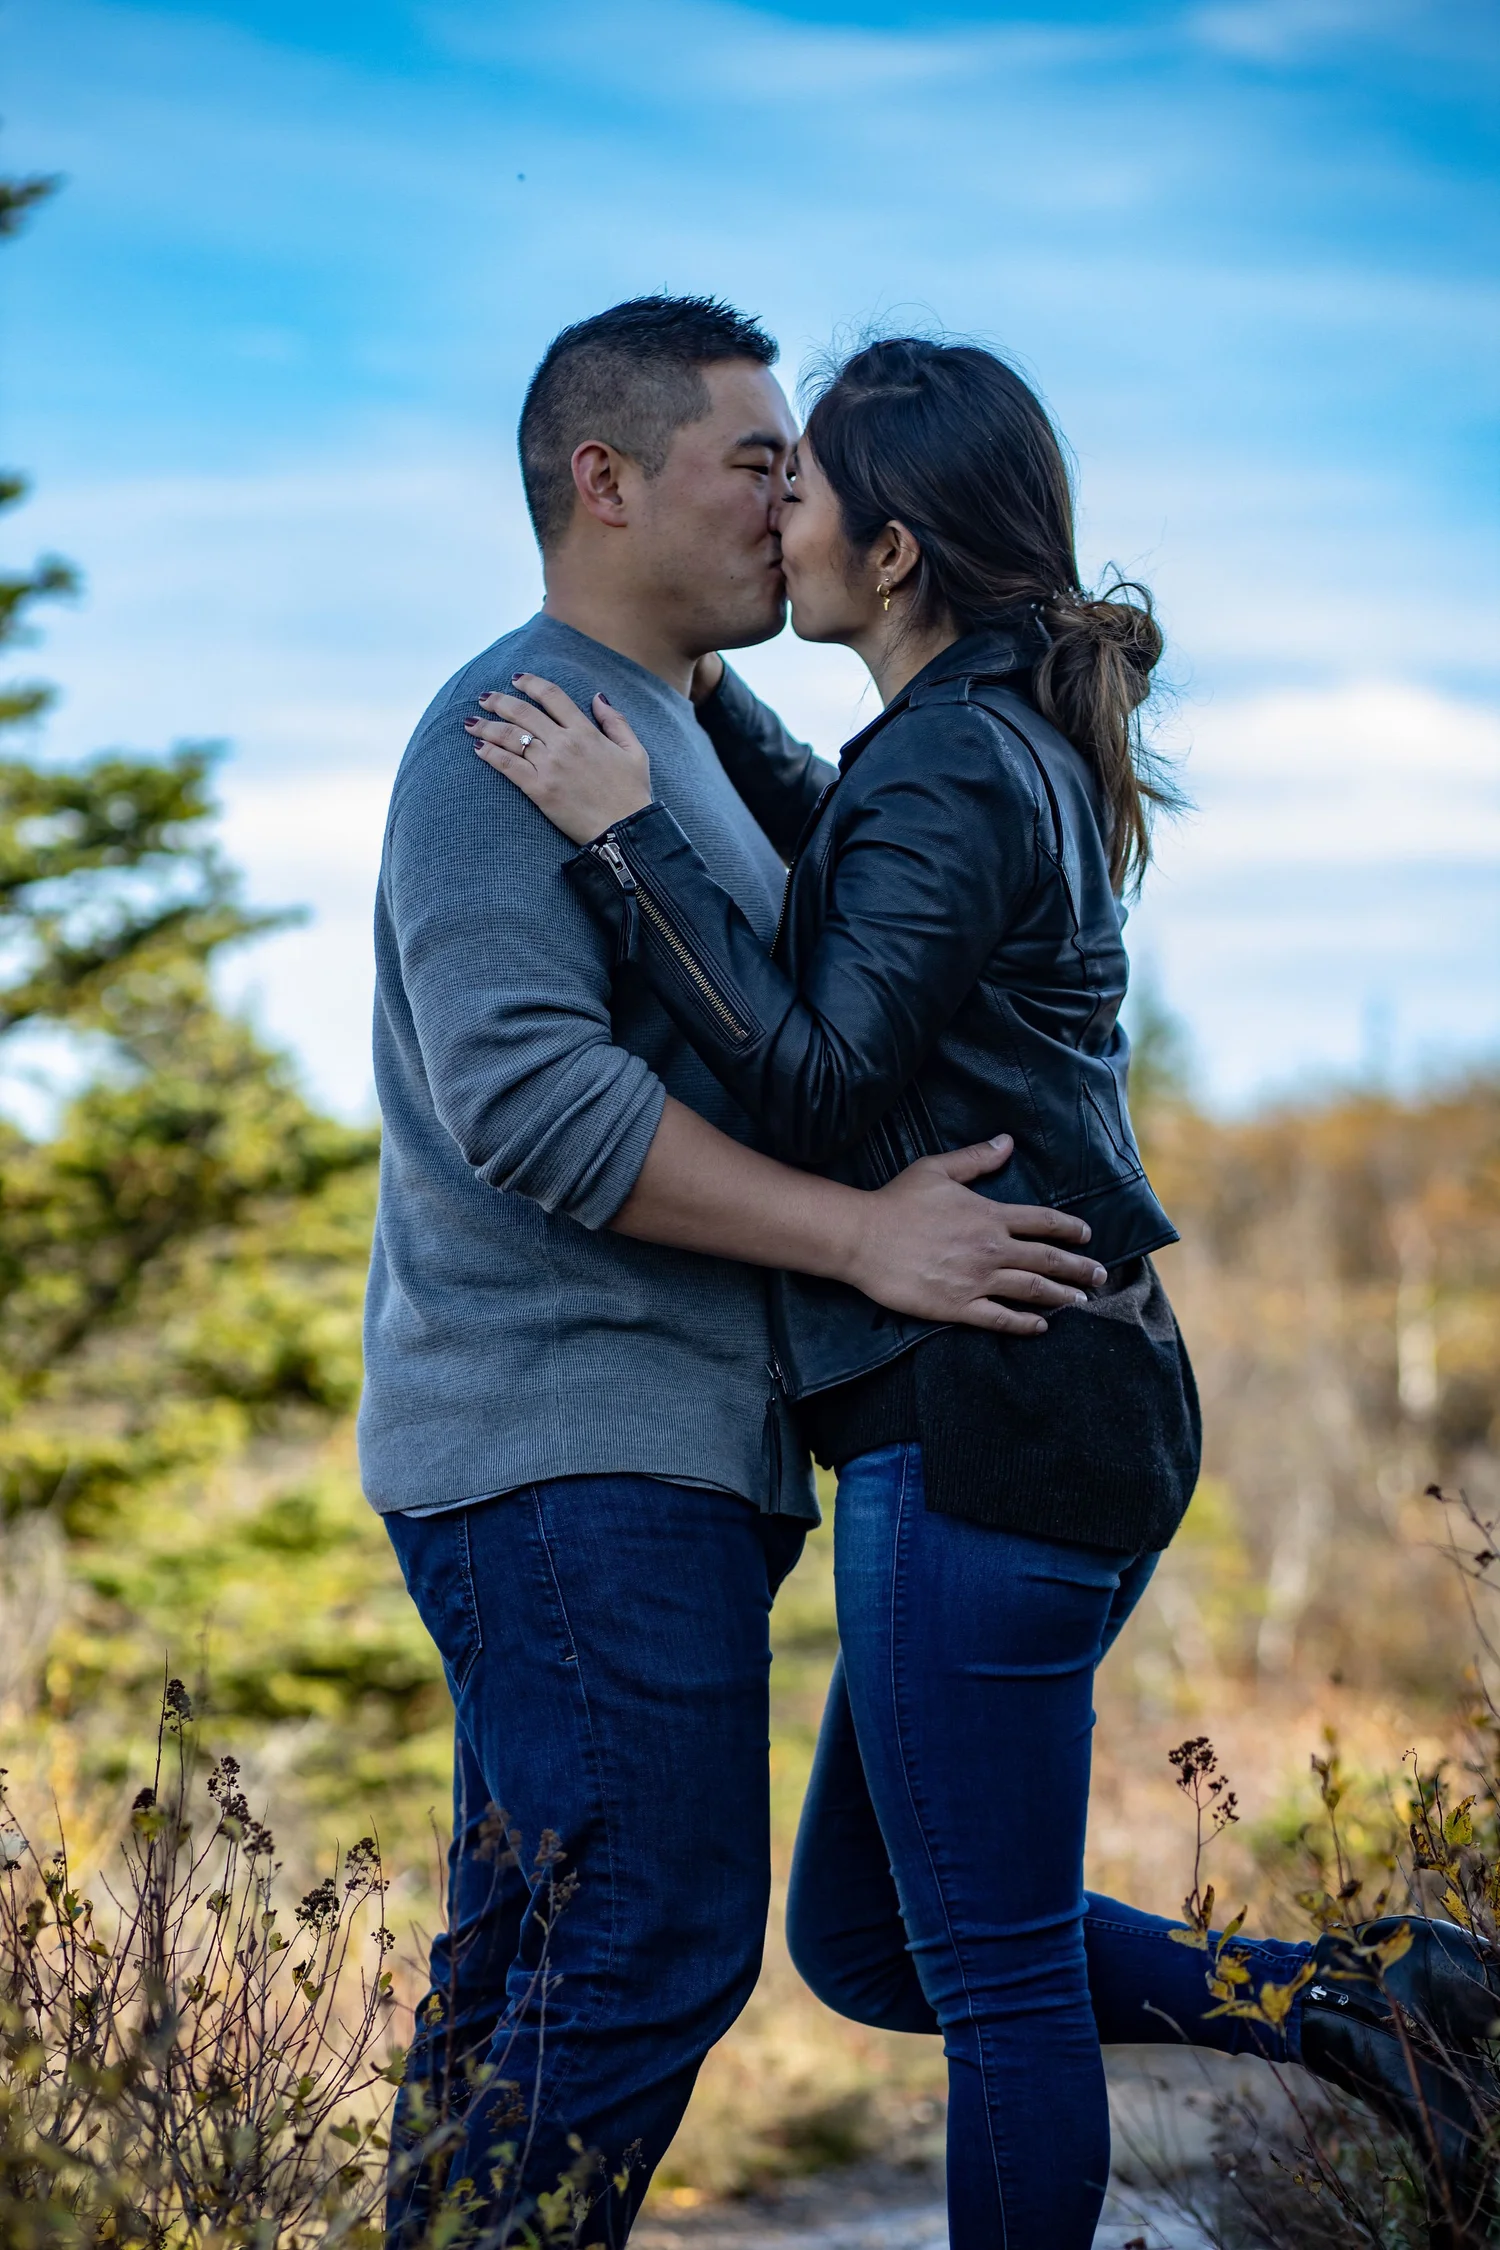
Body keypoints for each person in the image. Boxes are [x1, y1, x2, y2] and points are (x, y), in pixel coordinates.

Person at [470, 336, 1500, 2248]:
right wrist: (697, 709)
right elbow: (841, 844)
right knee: (872, 1935)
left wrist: (621, 835)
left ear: (900, 546)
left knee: (1001, 1989)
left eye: (804, 483)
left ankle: (1388, 2015)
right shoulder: (963, 732)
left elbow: (816, 1079)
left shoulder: (955, 762)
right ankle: (1385, 2013)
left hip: (988, 1414)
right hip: (1040, 1399)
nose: (777, 510)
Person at [359, 299, 1112, 2247]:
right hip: (565, 1438)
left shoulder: (678, 732)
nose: (789, 504)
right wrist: (867, 1234)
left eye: (808, 470)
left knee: (545, 1958)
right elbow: (532, 1102)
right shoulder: (508, 738)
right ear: (604, 481)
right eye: (753, 461)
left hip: (669, 1451)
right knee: (647, 1951)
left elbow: (847, 842)